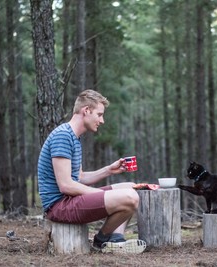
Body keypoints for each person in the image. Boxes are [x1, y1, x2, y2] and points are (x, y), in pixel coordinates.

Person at [37, 89, 146, 254]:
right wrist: (98, 195)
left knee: (131, 188)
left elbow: (79, 177)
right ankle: (101, 240)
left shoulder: (74, 136)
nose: (102, 120)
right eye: (99, 114)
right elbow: (65, 186)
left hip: (71, 200)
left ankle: (116, 239)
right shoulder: (63, 136)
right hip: (59, 206)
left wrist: (109, 170)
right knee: (130, 197)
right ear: (86, 111)